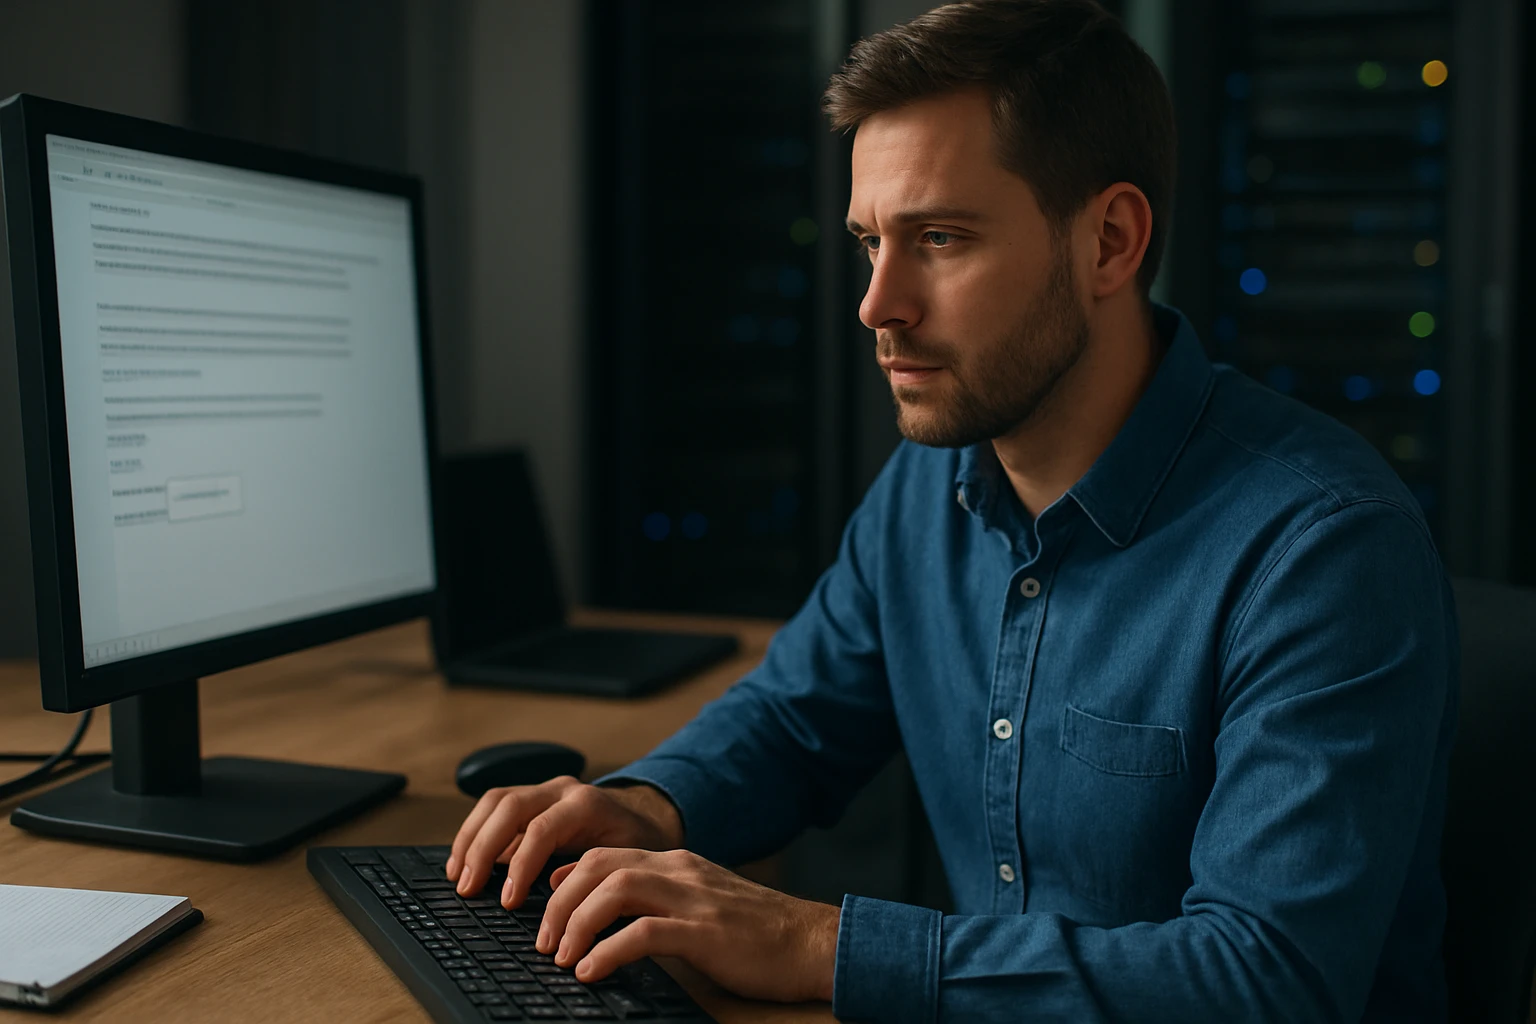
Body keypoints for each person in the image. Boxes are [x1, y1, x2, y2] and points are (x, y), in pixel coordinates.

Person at [447, 1, 1458, 1019]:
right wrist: (645, 805)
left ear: (1110, 241)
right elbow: (797, 719)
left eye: (938, 237)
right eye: (868, 242)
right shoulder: (932, 482)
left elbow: (1264, 979)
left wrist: (814, 941)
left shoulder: (1323, 548)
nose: (878, 304)